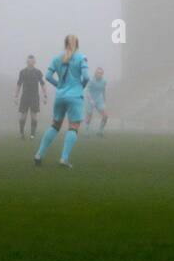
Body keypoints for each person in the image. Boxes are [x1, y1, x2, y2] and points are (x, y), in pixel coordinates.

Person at [35, 35, 89, 169]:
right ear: (77, 44)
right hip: (75, 96)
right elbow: (87, 77)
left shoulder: (56, 58)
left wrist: (59, 86)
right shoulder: (81, 58)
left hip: (60, 96)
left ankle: (39, 154)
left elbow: (47, 76)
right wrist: (80, 87)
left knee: (55, 125)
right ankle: (64, 159)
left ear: (65, 44)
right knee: (74, 126)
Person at [15, 55, 47, 140]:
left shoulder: (38, 72)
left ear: (34, 62)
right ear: (27, 62)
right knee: (23, 117)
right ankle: (21, 133)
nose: (31, 63)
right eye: (29, 61)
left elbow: (42, 83)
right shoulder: (22, 72)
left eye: (32, 62)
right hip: (25, 97)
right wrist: (16, 96)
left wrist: (45, 95)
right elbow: (19, 84)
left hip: (34, 97)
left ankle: (32, 135)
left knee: (34, 117)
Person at [85, 67, 109, 137]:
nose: (100, 74)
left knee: (105, 116)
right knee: (89, 115)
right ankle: (86, 131)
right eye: (98, 73)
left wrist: (104, 100)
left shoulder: (104, 81)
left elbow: (103, 91)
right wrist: (91, 100)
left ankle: (100, 132)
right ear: (95, 73)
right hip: (90, 100)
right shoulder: (91, 80)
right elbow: (87, 91)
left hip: (99, 100)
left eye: (101, 73)